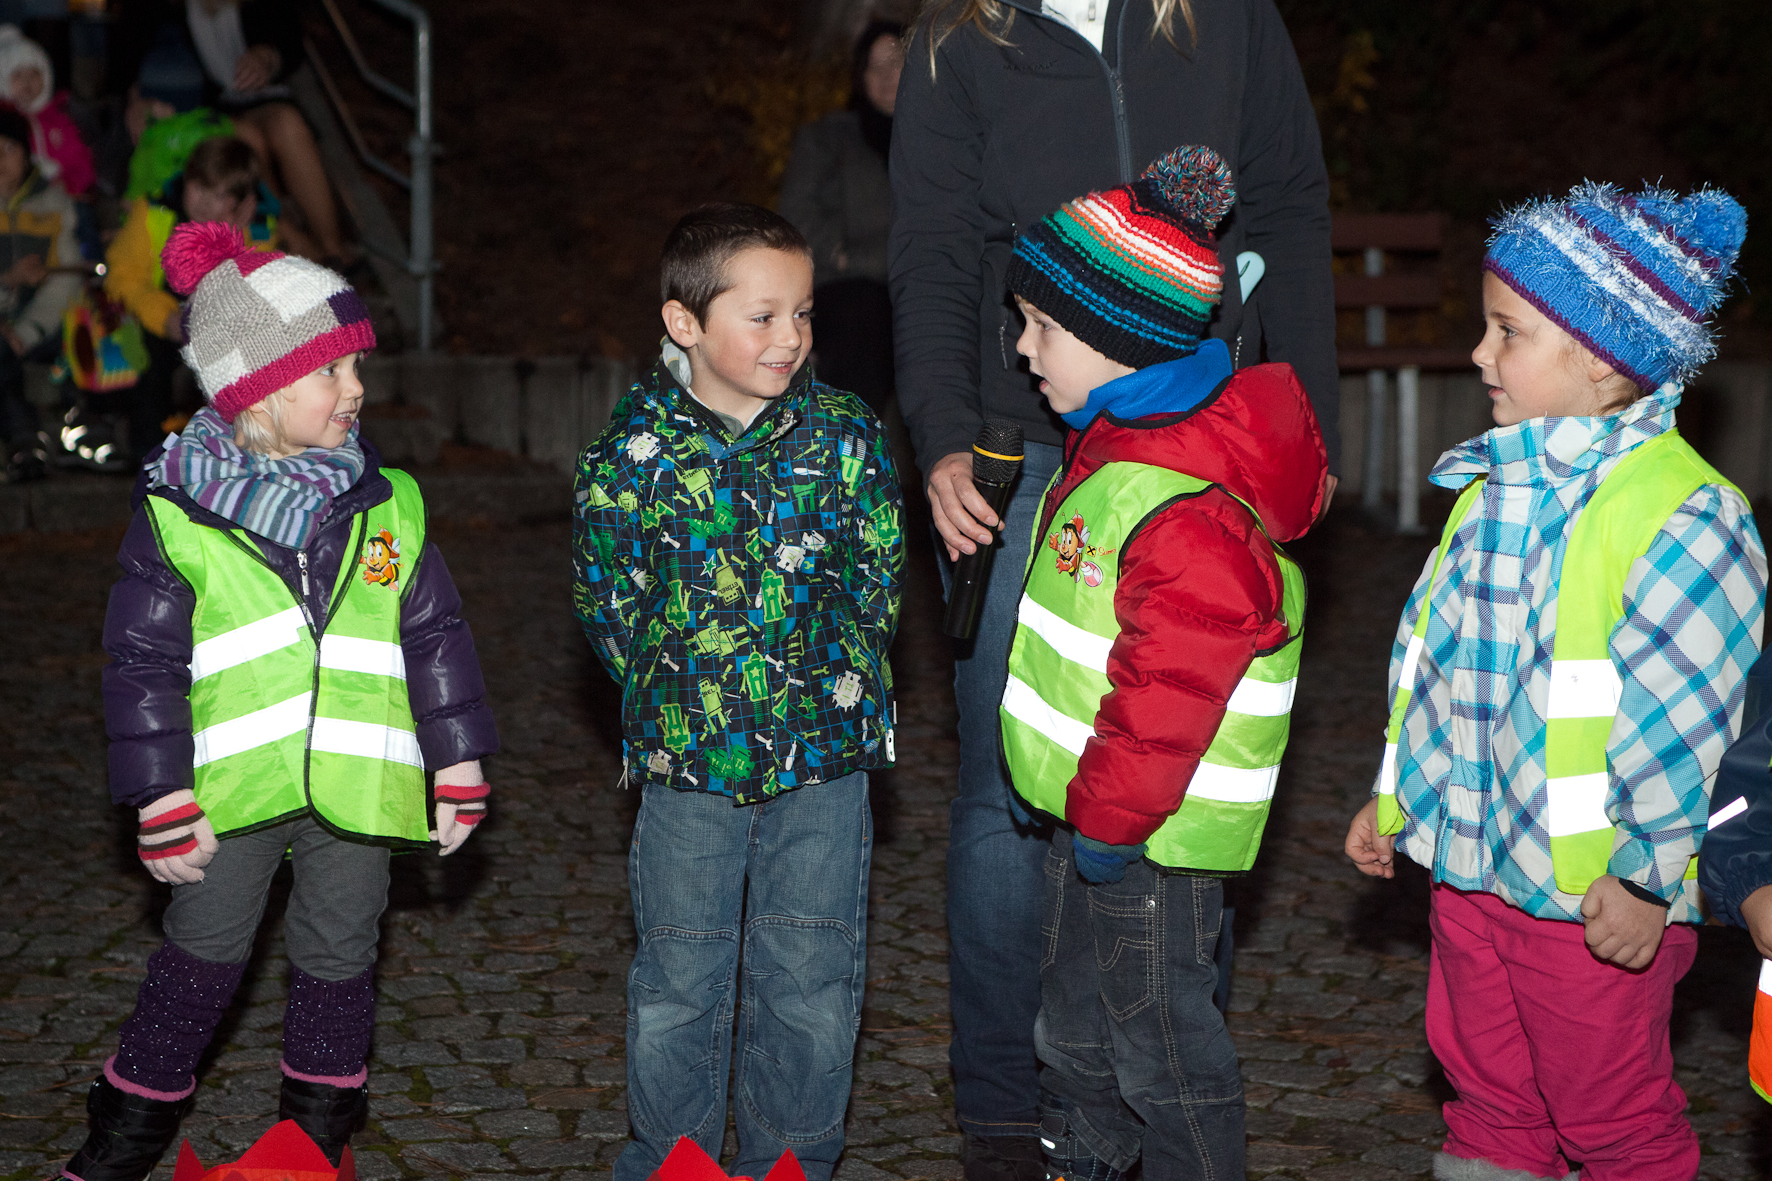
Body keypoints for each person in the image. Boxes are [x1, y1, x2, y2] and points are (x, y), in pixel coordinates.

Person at [887, 3, 1338, 1173]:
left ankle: (1159, 1085)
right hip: (1019, 441)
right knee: (1009, 782)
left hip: (1200, 431)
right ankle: (1010, 1113)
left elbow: (1287, 204)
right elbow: (930, 243)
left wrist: (1308, 429)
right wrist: (941, 434)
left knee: (1176, 762)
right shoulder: (956, 36)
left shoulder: (1225, 18)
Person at [61, 219, 499, 1181]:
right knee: (202, 957)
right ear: (258, 387)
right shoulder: (179, 518)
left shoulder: (386, 502)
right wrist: (158, 794)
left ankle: (313, 1149)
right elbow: (140, 667)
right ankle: (120, 1144)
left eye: (357, 366)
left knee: (341, 959)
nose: (356, 388)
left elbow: (434, 633)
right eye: (331, 369)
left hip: (357, 785)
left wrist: (457, 759)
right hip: (230, 793)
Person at [1344, 182, 1762, 1181]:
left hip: (1588, 899)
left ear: (1599, 356)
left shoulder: (1683, 514)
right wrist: (1398, 795)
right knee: (1488, 1098)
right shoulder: (1491, 491)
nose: (1477, 353)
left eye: (1507, 331)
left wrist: (1646, 874)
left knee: (1609, 1117)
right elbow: (1435, 670)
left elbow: (1685, 720)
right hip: (1472, 873)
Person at [997, 145, 1324, 1181]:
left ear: (1116, 339)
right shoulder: (1119, 444)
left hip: (1149, 839)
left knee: (1162, 1049)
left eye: (1041, 326)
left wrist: (1105, 821)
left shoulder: (1186, 508)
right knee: (1076, 1034)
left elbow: (1169, 695)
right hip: (1094, 815)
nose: (1021, 347)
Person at [571, 203, 903, 1181]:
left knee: (811, 975)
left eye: (801, 313)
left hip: (822, 757)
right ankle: (672, 1159)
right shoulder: (632, 451)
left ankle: (790, 1159)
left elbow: (877, 574)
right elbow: (607, 596)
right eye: (761, 316)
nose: (789, 337)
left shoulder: (844, 434)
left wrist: (839, 674)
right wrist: (674, 687)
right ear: (684, 322)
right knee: (680, 977)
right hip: (688, 762)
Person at [114, 0, 349, 264]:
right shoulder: (168, 8)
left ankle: (333, 250)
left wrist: (267, 57)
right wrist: (135, 99)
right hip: (212, 107)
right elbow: (127, 49)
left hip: (265, 96)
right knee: (246, 139)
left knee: (288, 125)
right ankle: (286, 235)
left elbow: (288, 40)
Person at [105, 134, 276, 456]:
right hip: (161, 324)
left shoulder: (258, 229)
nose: (203, 202)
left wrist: (231, 242)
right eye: (197, 187)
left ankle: (235, 455)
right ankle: (149, 456)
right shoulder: (156, 212)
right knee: (148, 360)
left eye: (219, 195)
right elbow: (122, 276)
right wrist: (165, 317)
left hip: (221, 330)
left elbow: (257, 294)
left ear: (241, 202)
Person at [777, 19, 903, 414]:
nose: (886, 76)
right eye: (874, 65)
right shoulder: (828, 139)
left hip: (917, 289)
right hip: (843, 292)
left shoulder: (941, 146)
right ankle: (848, 440)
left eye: (896, 63)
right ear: (860, 76)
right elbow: (798, 221)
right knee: (863, 317)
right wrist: (855, 260)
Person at [0, 100, 79, 481]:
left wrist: (27, 330)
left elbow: (67, 277)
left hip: (40, 324)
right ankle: (24, 441)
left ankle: (80, 433)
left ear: (26, 153)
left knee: (85, 333)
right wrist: (7, 281)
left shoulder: (54, 203)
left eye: (9, 148)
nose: (1, 160)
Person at [0, 23, 95, 197]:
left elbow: (79, 161)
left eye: (34, 74)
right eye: (18, 75)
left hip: (56, 196)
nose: (27, 82)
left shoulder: (59, 120)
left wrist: (69, 185)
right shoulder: (6, 123)